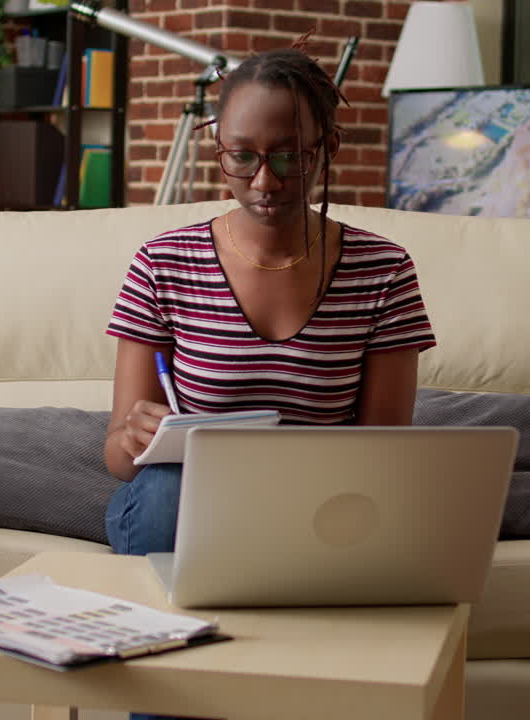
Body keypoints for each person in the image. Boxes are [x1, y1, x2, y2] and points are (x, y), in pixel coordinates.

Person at [101, 37, 437, 720]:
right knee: (165, 490)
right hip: (183, 510)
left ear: (326, 147)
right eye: (243, 156)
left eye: (289, 155)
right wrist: (135, 435)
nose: (265, 180)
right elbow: (116, 457)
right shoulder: (163, 263)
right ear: (217, 147)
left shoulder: (384, 272)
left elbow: (382, 454)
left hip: (314, 511)